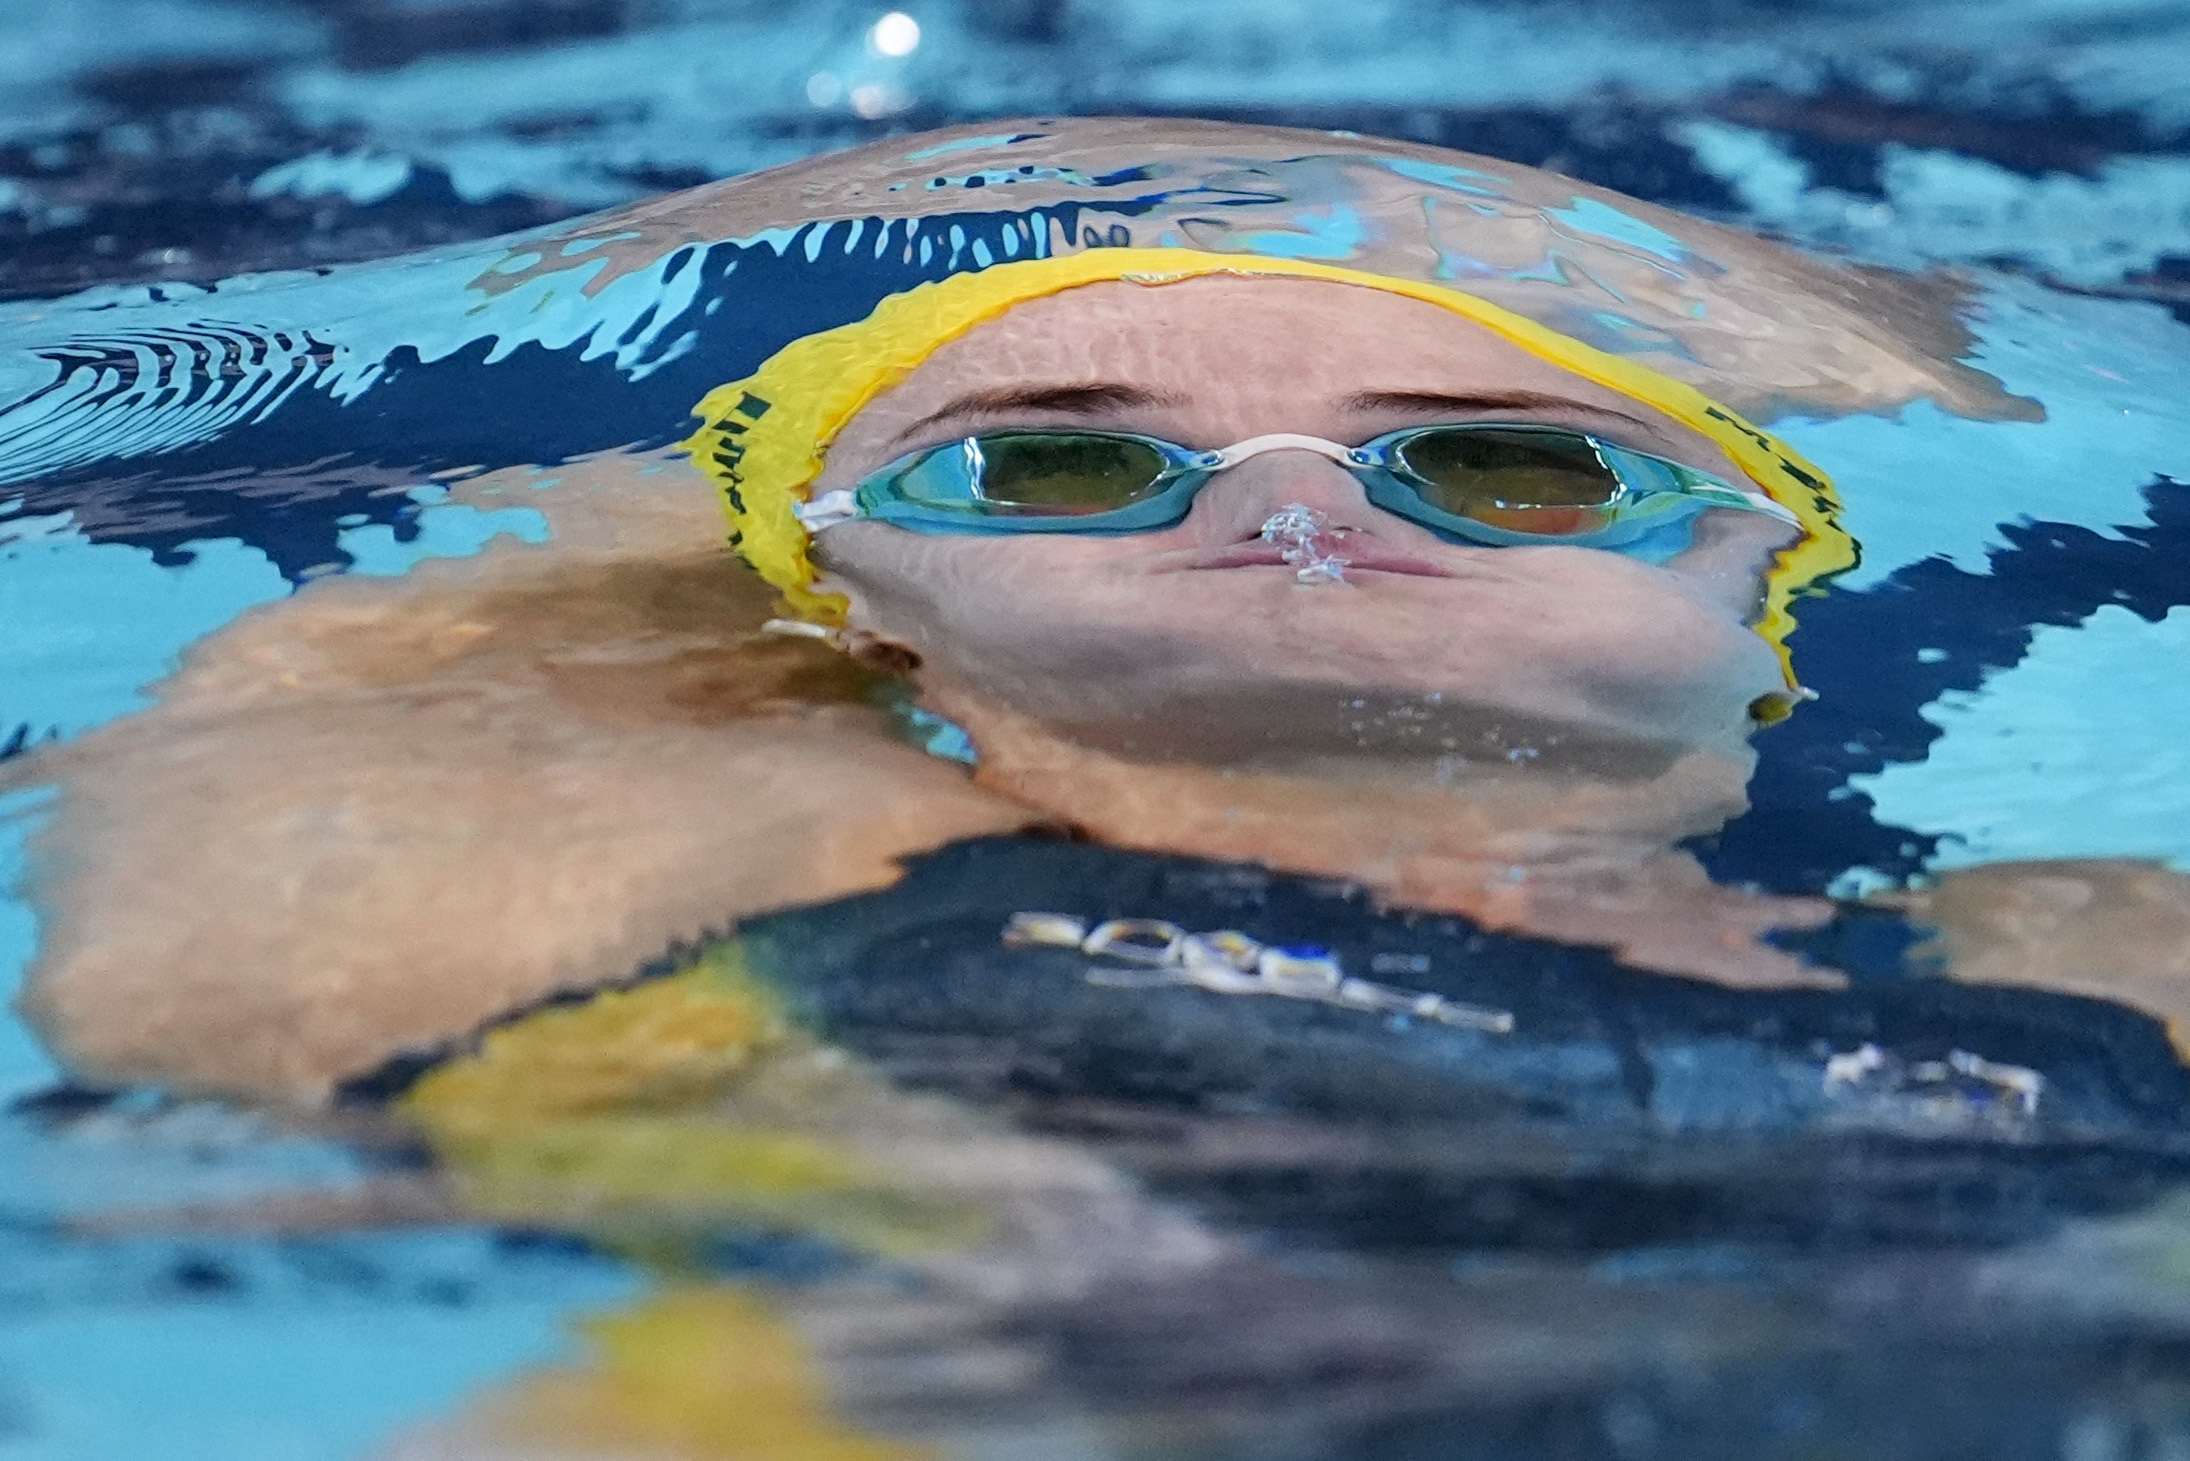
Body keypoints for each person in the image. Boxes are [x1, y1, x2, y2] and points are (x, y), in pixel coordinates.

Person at [5, 117, 2162, 1105]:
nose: (1306, 515)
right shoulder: (705, 886)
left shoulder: (2101, 952)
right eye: (1055, 460)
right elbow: (200, 982)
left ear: (1756, 566)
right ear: (847, 599)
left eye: (1512, 462)